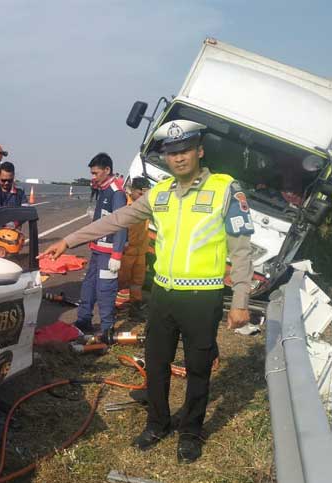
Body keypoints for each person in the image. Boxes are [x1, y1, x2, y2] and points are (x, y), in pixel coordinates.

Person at [40, 120, 253, 463]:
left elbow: (242, 250)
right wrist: (69, 239)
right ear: (166, 158)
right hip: (164, 297)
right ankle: (157, 423)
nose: (179, 159)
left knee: (198, 368)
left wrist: (240, 301)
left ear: (199, 151)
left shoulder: (225, 189)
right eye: (172, 153)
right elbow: (117, 219)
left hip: (203, 297)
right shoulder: (162, 193)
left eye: (185, 151)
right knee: (156, 364)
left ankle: (191, 432)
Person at [74, 153, 127, 335]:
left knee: (105, 291)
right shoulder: (103, 189)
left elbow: (121, 224)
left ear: (107, 170)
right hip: (97, 250)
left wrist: (117, 255)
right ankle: (83, 320)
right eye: (92, 173)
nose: (93, 177)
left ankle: (106, 329)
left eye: (96, 173)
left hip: (108, 253)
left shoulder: (116, 192)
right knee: (88, 286)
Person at [116, 177, 150, 313]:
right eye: (140, 194)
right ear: (133, 191)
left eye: (145, 194)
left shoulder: (147, 206)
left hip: (140, 251)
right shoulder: (124, 206)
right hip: (127, 252)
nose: (142, 197)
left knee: (137, 281)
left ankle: (135, 304)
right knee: (120, 280)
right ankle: (114, 306)